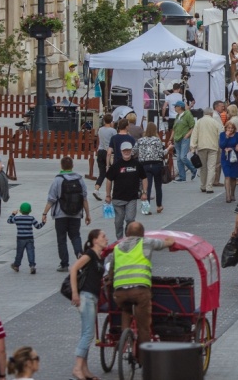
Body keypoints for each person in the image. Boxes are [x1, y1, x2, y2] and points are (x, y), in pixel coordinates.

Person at [109, 222, 175, 347]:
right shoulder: (146, 242)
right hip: (139, 291)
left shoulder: (117, 248)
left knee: (125, 309)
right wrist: (170, 240)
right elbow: (166, 243)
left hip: (120, 292)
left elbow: (111, 270)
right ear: (143, 234)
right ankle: (145, 357)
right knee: (143, 327)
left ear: (127, 234)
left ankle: (124, 339)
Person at [68, 229, 107, 380]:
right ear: (95, 240)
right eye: (103, 236)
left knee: (87, 333)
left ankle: (84, 369)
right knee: (89, 333)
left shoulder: (100, 257)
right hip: (86, 296)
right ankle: (77, 368)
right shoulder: (90, 254)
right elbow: (74, 269)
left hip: (93, 297)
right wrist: (75, 292)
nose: (106, 238)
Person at [104, 142, 147, 240]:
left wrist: (144, 192)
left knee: (130, 219)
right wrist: (107, 195)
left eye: (128, 150)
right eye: (124, 150)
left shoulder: (137, 164)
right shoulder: (116, 165)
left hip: (132, 197)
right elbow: (109, 180)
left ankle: (129, 239)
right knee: (118, 221)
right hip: (118, 198)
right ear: (121, 151)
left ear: (131, 151)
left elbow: (144, 178)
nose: (127, 152)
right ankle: (119, 240)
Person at [134, 123, 167, 214]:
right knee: (158, 187)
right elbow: (161, 154)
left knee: (146, 188)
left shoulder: (140, 140)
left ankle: (146, 208)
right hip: (157, 165)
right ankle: (159, 206)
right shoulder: (157, 140)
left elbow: (133, 151)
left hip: (144, 165)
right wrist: (169, 149)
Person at [190, 106, 224, 194]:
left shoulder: (199, 122)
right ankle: (209, 187)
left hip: (201, 146)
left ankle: (203, 185)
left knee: (203, 167)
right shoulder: (215, 122)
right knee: (211, 167)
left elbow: (194, 134)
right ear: (211, 113)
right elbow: (221, 133)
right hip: (213, 146)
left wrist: (193, 146)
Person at [6, 204, 44, 275]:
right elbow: (38, 226)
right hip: (30, 238)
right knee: (31, 252)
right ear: (30, 211)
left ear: (20, 211)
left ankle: (16, 265)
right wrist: (43, 222)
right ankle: (32, 266)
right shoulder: (31, 218)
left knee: (19, 253)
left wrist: (13, 214)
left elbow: (9, 221)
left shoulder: (17, 218)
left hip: (20, 239)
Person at [171, 102, 197, 182]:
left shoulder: (187, 115)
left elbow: (193, 126)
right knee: (179, 158)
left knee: (183, 157)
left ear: (179, 107)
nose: (174, 108)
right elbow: (174, 129)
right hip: (177, 139)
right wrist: (170, 139)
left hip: (184, 138)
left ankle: (193, 169)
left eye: (175, 106)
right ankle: (182, 177)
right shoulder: (177, 116)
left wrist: (187, 135)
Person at [218, 122, 238, 203]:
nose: (230, 130)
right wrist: (227, 137)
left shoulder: (237, 135)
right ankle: (227, 195)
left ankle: (232, 193)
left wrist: (237, 147)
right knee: (227, 176)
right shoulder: (222, 134)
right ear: (226, 128)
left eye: (232, 128)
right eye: (228, 128)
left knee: (233, 177)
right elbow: (221, 145)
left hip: (234, 158)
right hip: (225, 158)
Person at [93, 114, 115, 198]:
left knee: (102, 173)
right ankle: (109, 192)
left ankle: (96, 189)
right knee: (111, 173)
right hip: (108, 152)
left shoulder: (100, 130)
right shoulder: (113, 131)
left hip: (100, 151)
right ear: (111, 121)